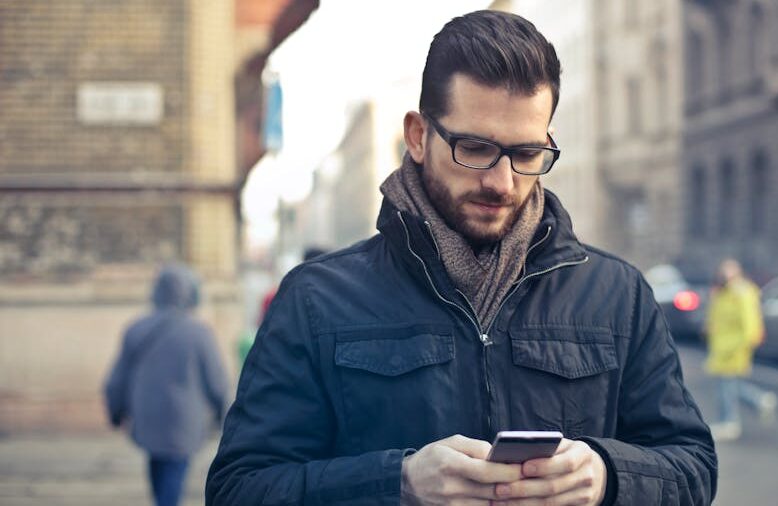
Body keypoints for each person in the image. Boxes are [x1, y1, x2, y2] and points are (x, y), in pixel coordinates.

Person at [206, 10, 715, 505]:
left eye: (526, 154)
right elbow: (239, 489)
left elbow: (694, 467)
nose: (501, 181)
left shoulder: (618, 294)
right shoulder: (315, 298)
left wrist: (607, 476)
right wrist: (397, 483)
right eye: (474, 148)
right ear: (418, 136)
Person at [104, 264, 229, 506]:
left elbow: (117, 379)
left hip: (147, 416)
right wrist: (223, 416)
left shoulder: (137, 329)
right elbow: (217, 380)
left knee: (158, 465)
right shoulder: (199, 333)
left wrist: (115, 411)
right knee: (174, 471)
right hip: (183, 420)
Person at [704, 259, 778, 442]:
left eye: (727, 271)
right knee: (729, 385)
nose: (723, 275)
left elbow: (750, 324)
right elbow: (716, 317)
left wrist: (743, 344)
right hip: (721, 347)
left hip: (733, 347)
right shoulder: (723, 292)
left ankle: (729, 421)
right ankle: (760, 400)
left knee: (726, 385)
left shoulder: (742, 292)